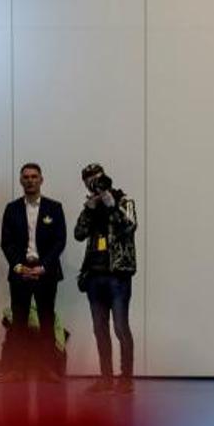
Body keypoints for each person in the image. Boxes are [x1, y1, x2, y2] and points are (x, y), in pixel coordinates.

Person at [74, 163, 138, 394]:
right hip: (94, 275)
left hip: (117, 275)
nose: (94, 184)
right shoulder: (90, 206)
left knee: (120, 327)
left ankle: (126, 379)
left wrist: (112, 207)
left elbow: (130, 227)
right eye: (89, 181)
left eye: (97, 179)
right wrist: (89, 210)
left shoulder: (124, 201)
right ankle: (106, 378)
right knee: (99, 329)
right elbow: (79, 234)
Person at [0, 163, 66, 382]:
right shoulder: (11, 208)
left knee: (47, 320)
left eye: (34, 176)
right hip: (20, 271)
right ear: (21, 181)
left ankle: (48, 369)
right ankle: (17, 369)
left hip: (46, 272)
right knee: (19, 322)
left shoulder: (54, 207)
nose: (30, 180)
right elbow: (6, 242)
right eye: (26, 177)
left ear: (41, 180)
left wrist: (43, 266)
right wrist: (19, 267)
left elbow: (59, 241)